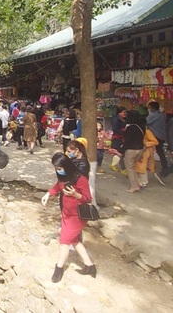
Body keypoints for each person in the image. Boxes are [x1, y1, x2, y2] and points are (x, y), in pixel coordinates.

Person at [41, 153, 96, 283]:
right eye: (56, 168)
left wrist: (75, 194)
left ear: (66, 166)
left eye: (59, 168)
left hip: (77, 216)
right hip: (66, 214)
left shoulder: (80, 179)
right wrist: (48, 194)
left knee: (64, 242)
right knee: (75, 241)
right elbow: (57, 186)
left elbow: (88, 198)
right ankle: (90, 266)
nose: (58, 170)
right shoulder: (64, 177)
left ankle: (58, 268)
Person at [119, 110, 145, 193]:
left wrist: (121, 151)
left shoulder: (130, 128)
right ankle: (138, 183)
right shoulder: (141, 126)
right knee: (134, 167)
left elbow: (127, 141)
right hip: (140, 149)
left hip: (131, 150)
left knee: (129, 168)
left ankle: (134, 186)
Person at [146, 101, 169, 177]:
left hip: (154, 136)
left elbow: (146, 121)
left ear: (152, 108)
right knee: (160, 152)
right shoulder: (163, 115)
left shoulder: (153, 115)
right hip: (162, 135)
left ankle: (151, 166)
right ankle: (164, 166)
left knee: (149, 151)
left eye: (149, 108)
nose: (148, 109)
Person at [109, 106, 128, 173]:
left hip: (122, 137)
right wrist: (123, 132)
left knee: (119, 153)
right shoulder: (116, 119)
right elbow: (115, 129)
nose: (125, 114)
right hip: (117, 138)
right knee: (119, 153)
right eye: (124, 112)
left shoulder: (124, 119)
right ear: (119, 113)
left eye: (126, 112)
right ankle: (123, 169)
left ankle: (114, 165)